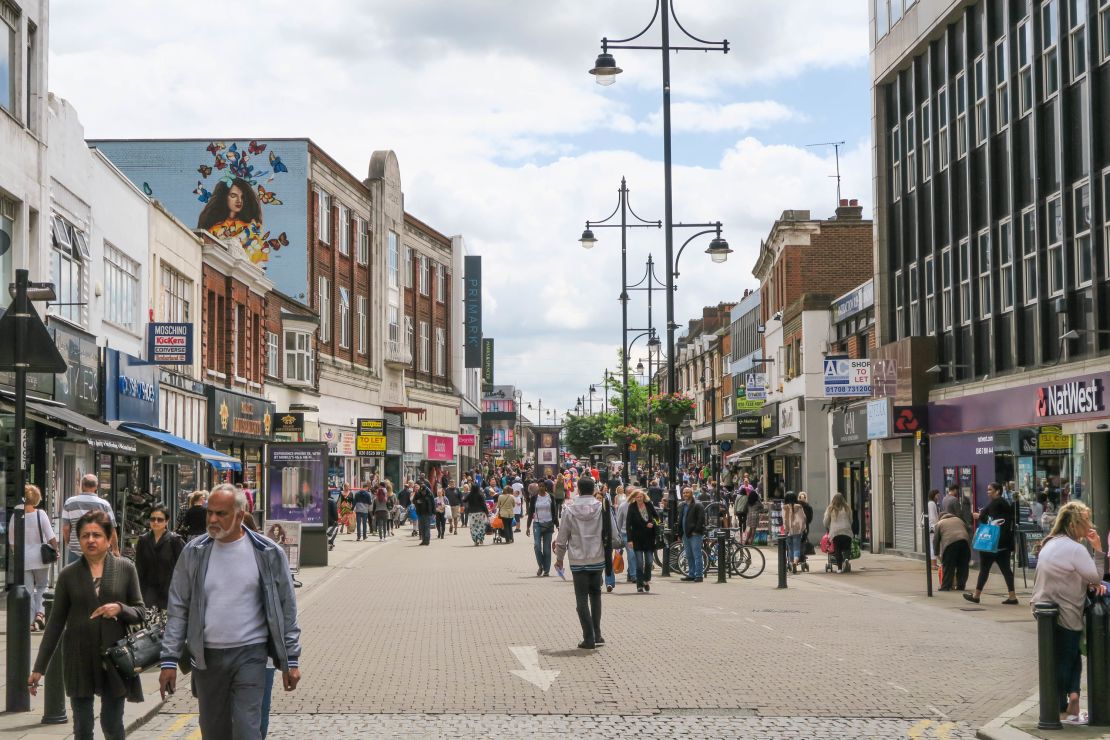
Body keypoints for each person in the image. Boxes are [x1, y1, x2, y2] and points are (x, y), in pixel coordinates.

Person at [159, 484, 302, 739]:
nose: (212, 519)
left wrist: (291, 658)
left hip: (251, 654)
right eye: (209, 513)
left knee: (248, 729)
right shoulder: (194, 552)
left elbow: (286, 607)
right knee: (214, 731)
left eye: (221, 513)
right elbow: (178, 607)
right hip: (207, 658)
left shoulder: (267, 553)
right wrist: (169, 658)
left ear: (239, 514)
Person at [29, 510, 145, 740]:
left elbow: (140, 611)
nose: (90, 540)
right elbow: (55, 624)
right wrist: (38, 668)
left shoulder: (125, 568)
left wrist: (120, 608)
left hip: (115, 659)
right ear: (78, 539)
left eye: (97, 535)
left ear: (109, 537)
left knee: (112, 725)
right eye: (84, 535)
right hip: (78, 657)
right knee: (82, 728)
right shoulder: (68, 575)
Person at [1031, 501, 1107, 724]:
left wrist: (1087, 581)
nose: (1090, 525)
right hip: (1066, 611)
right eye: (1086, 521)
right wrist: (1099, 548)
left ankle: (1073, 698)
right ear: (1075, 524)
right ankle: (1058, 709)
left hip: (1045, 608)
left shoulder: (1052, 543)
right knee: (1065, 660)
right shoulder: (1075, 548)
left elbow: (1068, 572)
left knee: (1071, 654)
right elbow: (1096, 576)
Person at [553, 476, 607, 650]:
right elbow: (610, 532)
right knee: (596, 595)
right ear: (593, 490)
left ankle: (588, 637)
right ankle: (597, 633)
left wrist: (559, 558)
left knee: (581, 599)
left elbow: (562, 536)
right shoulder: (602, 507)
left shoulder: (569, 509)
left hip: (577, 559)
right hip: (597, 556)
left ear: (578, 489)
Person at [8, 484, 58, 631]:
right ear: (37, 499)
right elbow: (50, 536)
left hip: (24, 559)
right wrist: (56, 549)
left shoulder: (15, 516)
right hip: (41, 558)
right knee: (42, 586)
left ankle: (30, 623)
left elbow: (12, 542)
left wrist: (16, 555)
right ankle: (40, 614)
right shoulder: (40, 514)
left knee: (28, 590)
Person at [965, 482, 1019, 605]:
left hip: (991, 543)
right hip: (1004, 544)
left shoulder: (996, 503)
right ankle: (1012, 596)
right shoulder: (1006, 504)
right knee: (1006, 570)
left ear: (998, 491)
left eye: (990, 490)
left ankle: (976, 595)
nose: (987, 492)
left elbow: (989, 519)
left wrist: (979, 516)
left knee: (984, 569)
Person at [134, 504, 185, 612]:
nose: (155, 522)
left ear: (167, 521)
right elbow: (139, 568)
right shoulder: (143, 540)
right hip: (148, 593)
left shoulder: (175, 541)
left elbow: (182, 569)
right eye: (152, 519)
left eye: (160, 519)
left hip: (169, 592)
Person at [62, 473, 118, 561]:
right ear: (96, 487)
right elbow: (111, 529)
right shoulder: (104, 504)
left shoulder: (69, 503)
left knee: (74, 574)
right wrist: (115, 549)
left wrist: (69, 543)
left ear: (82, 486)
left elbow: (66, 528)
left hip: (76, 551)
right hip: (98, 550)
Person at [625, 488, 659, 593]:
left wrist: (653, 523)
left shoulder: (649, 505)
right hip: (637, 538)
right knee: (639, 563)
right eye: (637, 497)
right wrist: (629, 539)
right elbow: (628, 524)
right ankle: (639, 585)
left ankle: (646, 580)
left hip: (649, 537)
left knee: (649, 561)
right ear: (634, 497)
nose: (639, 499)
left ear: (644, 497)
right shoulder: (632, 507)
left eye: (641, 497)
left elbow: (657, 517)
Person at [933, 499, 972, 591]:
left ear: (940, 518)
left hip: (950, 544)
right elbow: (968, 531)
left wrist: (936, 553)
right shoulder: (958, 519)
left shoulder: (939, 523)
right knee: (963, 566)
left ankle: (946, 586)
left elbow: (936, 540)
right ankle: (961, 586)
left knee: (949, 566)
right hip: (964, 543)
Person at [526, 476, 558, 576]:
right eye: (539, 486)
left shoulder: (550, 497)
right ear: (537, 487)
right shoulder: (534, 498)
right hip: (537, 524)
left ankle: (546, 570)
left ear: (546, 487)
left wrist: (557, 525)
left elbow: (554, 512)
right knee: (537, 546)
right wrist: (527, 526)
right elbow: (530, 512)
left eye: (543, 486)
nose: (541, 488)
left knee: (547, 549)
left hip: (549, 524)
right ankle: (541, 566)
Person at [679, 487, 706, 583]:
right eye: (684, 493)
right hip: (685, 534)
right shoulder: (683, 505)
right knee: (689, 555)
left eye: (687, 493)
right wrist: (680, 532)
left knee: (697, 555)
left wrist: (697, 530)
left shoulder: (698, 505)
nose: (685, 494)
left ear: (691, 493)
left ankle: (699, 575)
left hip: (694, 534)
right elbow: (681, 519)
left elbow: (701, 519)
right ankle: (691, 574)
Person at [823, 492, 854, 573]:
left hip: (836, 533)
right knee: (847, 548)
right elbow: (851, 520)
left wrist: (827, 527)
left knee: (838, 550)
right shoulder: (847, 507)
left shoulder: (830, 508)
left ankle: (839, 568)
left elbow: (826, 521)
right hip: (846, 531)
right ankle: (846, 559)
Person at [782, 491, 807, 574]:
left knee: (790, 548)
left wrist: (786, 528)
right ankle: (795, 563)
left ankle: (791, 563)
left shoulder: (784, 507)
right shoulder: (799, 507)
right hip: (797, 530)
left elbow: (784, 519)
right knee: (797, 548)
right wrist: (802, 528)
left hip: (788, 531)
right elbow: (803, 518)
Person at [412, 481, 434, 546]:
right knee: (422, 527)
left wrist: (433, 512)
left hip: (427, 512)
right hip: (420, 512)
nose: (423, 493)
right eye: (422, 492)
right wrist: (418, 501)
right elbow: (414, 500)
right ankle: (423, 540)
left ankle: (427, 540)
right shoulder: (418, 493)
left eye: (424, 491)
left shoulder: (429, 493)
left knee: (427, 526)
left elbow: (432, 502)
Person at [927, 489, 941, 569]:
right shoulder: (932, 503)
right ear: (933, 495)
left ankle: (934, 563)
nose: (938, 497)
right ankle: (933, 564)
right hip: (933, 527)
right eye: (937, 495)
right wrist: (936, 525)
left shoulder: (931, 503)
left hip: (931, 526)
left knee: (933, 545)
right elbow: (933, 517)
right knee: (933, 545)